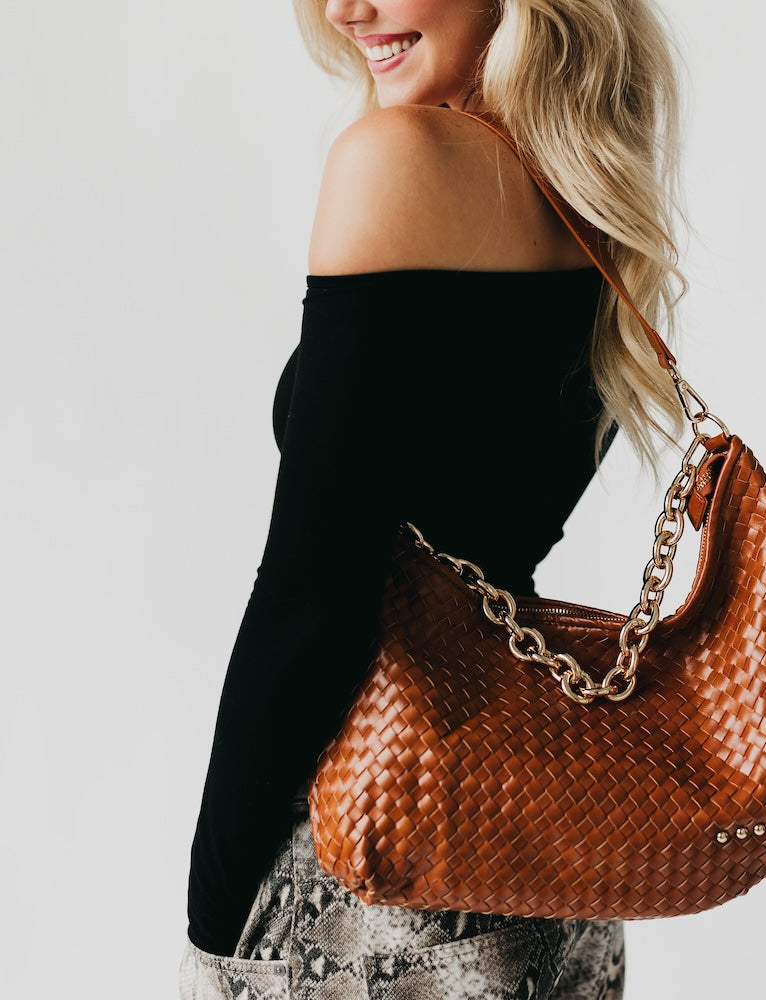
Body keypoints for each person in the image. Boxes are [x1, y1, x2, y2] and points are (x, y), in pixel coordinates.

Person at [180, 0, 690, 997]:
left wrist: (215, 912)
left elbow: (312, 598)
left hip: (367, 871)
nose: (345, 9)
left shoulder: (398, 157)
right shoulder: (585, 192)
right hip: (546, 863)